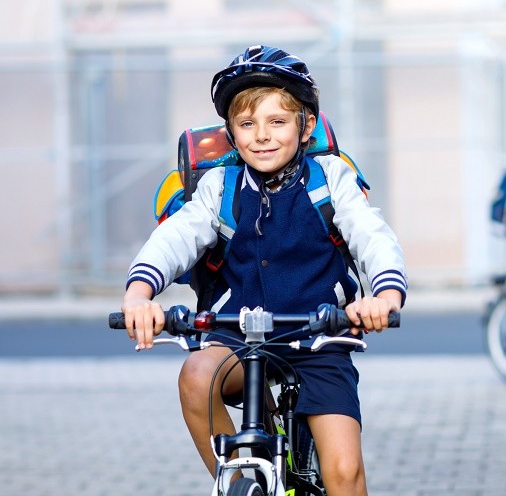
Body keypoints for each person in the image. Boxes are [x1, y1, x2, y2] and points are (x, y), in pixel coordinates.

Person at [121, 45, 407, 495]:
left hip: (318, 337)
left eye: (278, 122)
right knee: (197, 375)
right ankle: (241, 475)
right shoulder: (220, 186)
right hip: (237, 336)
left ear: (305, 126)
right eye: (247, 124)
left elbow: (371, 234)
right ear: (232, 135)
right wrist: (140, 294)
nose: (262, 136)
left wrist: (385, 296)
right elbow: (176, 237)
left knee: (345, 475)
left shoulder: (329, 179)